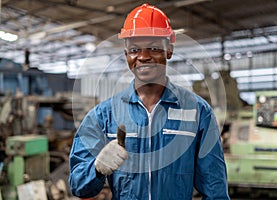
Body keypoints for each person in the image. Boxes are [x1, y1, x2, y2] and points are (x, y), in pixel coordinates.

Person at [68, 3, 230, 200]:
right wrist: (97, 168)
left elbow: (215, 189)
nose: (143, 57)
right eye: (134, 49)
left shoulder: (198, 112)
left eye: (154, 48)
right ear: (126, 54)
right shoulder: (104, 115)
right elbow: (78, 185)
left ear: (169, 50)